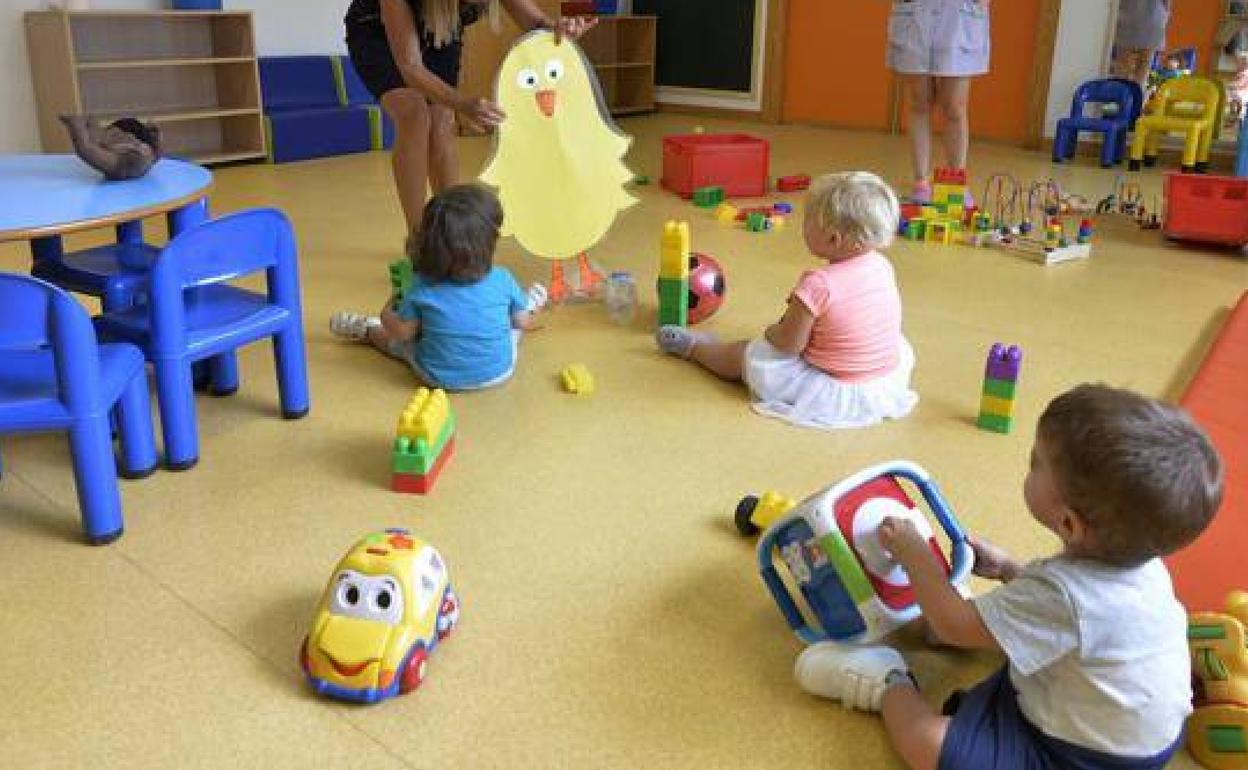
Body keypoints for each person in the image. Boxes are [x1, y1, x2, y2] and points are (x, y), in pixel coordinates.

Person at [793, 384, 1223, 770]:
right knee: (969, 625)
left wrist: (913, 551)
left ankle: (885, 681)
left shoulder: (1064, 595)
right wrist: (1006, 570)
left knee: (927, 744)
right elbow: (1079, 617)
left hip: (1081, 755)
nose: (1028, 465)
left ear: (1069, 524)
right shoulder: (1141, 560)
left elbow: (955, 625)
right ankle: (982, 620)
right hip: (1147, 738)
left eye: (1036, 463)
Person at [655, 172, 918, 430]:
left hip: (833, 389)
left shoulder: (818, 283)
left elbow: (789, 345)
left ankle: (695, 349)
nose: (801, 228)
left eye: (807, 222)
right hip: (882, 380)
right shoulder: (881, 264)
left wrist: (771, 333)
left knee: (747, 355)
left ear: (833, 239)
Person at [344, 0, 595, 231]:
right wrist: (464, 103)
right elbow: (410, 66)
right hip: (376, 30)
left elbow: (536, 25)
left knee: (442, 122)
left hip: (442, 26)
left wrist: (560, 30)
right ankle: (418, 237)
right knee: (414, 113)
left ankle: (451, 232)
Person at [330, 183, 545, 390]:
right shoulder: (502, 279)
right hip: (499, 372)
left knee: (398, 344)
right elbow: (523, 323)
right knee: (513, 326)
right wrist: (525, 315)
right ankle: (528, 303)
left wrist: (389, 308)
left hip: (436, 376)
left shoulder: (421, 287)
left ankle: (367, 330)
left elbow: (402, 334)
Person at [886, 0, 992, 204]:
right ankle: (921, 182)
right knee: (919, 102)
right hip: (915, 13)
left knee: (955, 107)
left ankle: (956, 181)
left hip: (959, 16)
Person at [60, 115, 161, 181]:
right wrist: (155, 136)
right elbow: (156, 154)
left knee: (93, 146)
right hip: (144, 156)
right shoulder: (147, 154)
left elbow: (84, 149)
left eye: (115, 135)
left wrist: (74, 124)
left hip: (126, 162)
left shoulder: (117, 161)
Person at [1112, 0, 1171, 89]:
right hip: (1150, 20)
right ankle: (1134, 97)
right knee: (1141, 69)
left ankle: (1122, 97)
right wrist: (1166, 13)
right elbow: (1166, 3)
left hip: (1131, 19)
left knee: (1124, 67)